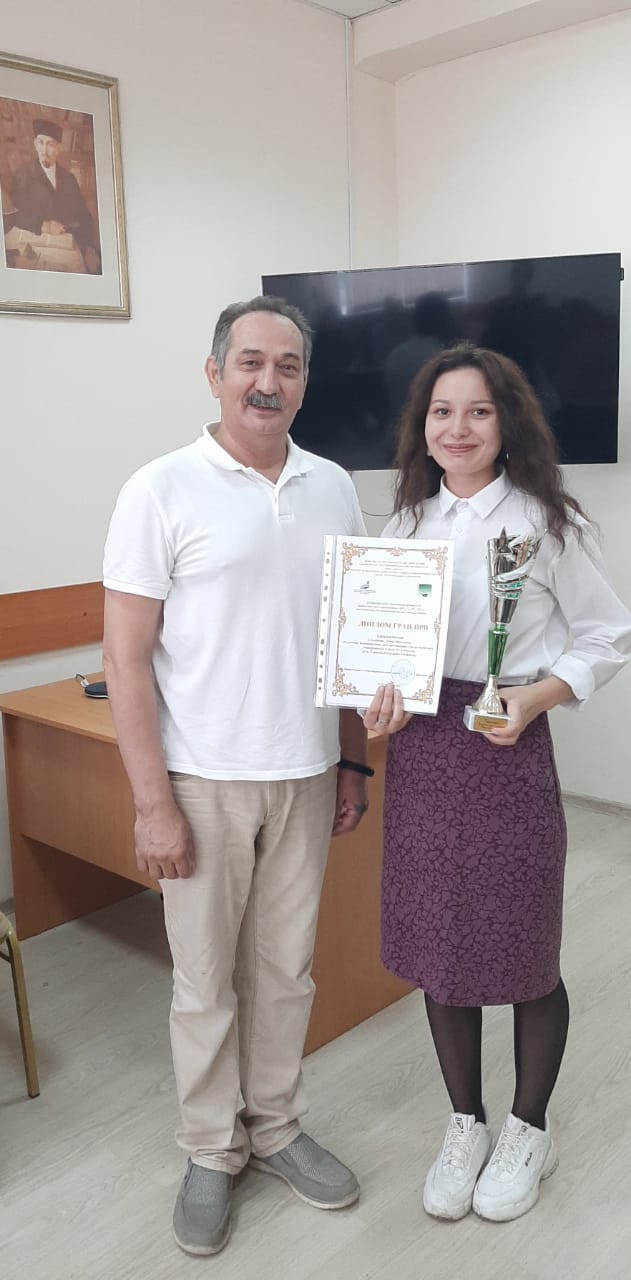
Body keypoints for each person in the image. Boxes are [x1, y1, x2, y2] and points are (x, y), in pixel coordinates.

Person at [102, 296, 370, 1256]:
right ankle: (212, 1150)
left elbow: (349, 638)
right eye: (250, 361)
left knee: (285, 973)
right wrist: (152, 806)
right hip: (202, 781)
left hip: (307, 771)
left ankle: (277, 1128)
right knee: (205, 981)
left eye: (287, 365)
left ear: (304, 381)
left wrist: (351, 755)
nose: (268, 381)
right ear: (214, 373)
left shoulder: (333, 486)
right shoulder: (160, 489)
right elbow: (125, 657)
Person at [364, 342, 631, 1224]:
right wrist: (377, 698)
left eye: (477, 411)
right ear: (422, 427)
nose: (458, 428)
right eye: (441, 411)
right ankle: (465, 1122)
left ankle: (527, 1127)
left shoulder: (547, 523)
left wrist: (538, 696)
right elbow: (380, 648)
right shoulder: (404, 525)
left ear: (505, 422)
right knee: (439, 939)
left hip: (506, 743)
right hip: (423, 751)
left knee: (521, 942)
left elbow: (607, 635)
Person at [4, 119, 100, 273]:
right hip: (31, 245)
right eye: (40, 142)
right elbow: (13, 215)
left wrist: (89, 247)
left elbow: (84, 216)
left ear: (58, 148)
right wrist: (43, 225)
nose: (44, 150)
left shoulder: (69, 179)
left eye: (50, 144)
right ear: (35, 144)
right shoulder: (23, 174)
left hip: (62, 249)